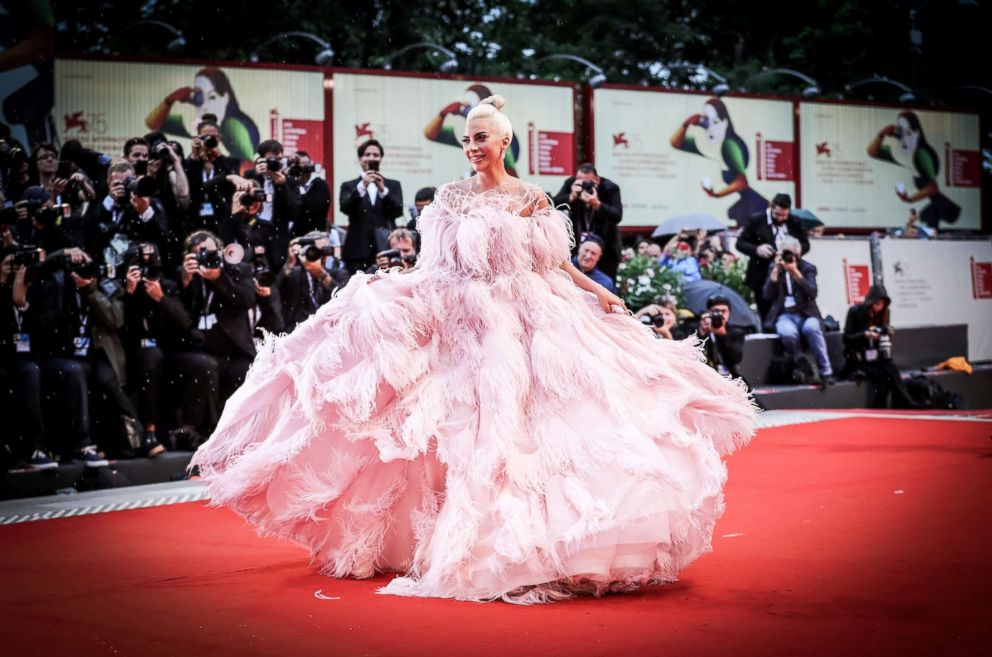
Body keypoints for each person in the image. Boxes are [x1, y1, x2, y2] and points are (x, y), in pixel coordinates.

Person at [191, 95, 755, 604]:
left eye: (481, 137)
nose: (472, 147)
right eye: (466, 139)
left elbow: (553, 263)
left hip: (533, 320)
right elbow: (433, 266)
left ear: (504, 141)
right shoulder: (450, 199)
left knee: (547, 425)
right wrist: (393, 289)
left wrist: (599, 291)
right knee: (452, 430)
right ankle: (447, 541)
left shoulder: (532, 198)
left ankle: (555, 544)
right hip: (464, 322)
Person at [670, 97, 768, 226]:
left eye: (715, 122)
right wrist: (686, 124)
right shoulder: (706, 142)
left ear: (725, 122)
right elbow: (676, 143)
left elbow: (742, 182)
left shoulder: (730, 145)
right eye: (706, 121)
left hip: (751, 204)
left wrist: (716, 194)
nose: (710, 127)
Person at [867, 111, 960, 229]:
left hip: (942, 208)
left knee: (926, 227)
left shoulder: (921, 154)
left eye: (908, 133)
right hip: (932, 207)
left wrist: (910, 199)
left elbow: (932, 188)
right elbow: (872, 152)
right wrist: (881, 134)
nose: (904, 138)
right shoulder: (900, 152)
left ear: (917, 133)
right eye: (901, 133)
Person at [763, 236, 834, 387]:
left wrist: (795, 272)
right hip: (785, 315)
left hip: (807, 313)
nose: (787, 257)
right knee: (787, 332)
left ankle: (826, 371)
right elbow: (767, 295)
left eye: (790, 253)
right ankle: (803, 365)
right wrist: (775, 270)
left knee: (812, 328)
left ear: (798, 254)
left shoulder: (807, 268)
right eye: (784, 253)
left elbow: (812, 292)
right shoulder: (776, 268)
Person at [736, 193, 809, 324]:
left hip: (789, 274)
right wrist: (757, 249)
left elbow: (806, 244)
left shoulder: (795, 221)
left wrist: (796, 250)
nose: (780, 218)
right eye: (777, 214)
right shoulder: (756, 220)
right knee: (766, 313)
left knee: (791, 311)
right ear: (771, 207)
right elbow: (740, 243)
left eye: (784, 215)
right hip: (762, 274)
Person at [842, 285, 917, 408]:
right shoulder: (855, 312)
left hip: (876, 357)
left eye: (882, 304)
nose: (879, 307)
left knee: (892, 370)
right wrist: (865, 334)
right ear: (870, 302)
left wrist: (886, 330)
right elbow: (847, 338)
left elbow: (883, 334)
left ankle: (903, 403)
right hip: (857, 360)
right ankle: (889, 406)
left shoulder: (884, 314)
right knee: (883, 375)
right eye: (876, 304)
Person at [338, 139, 404, 273]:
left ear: (381, 159)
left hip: (385, 248)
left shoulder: (392, 185)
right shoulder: (349, 186)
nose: (371, 158)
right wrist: (362, 186)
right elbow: (345, 208)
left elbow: (398, 211)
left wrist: (383, 190)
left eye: (376, 155)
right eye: (367, 154)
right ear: (360, 158)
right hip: (357, 250)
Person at [552, 163, 623, 280]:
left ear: (597, 180)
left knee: (604, 285)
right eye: (580, 181)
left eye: (588, 182)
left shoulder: (610, 188)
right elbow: (552, 205)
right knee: (573, 283)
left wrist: (598, 204)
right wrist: (571, 196)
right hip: (578, 247)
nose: (584, 185)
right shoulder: (571, 184)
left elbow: (617, 215)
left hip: (605, 249)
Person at [697, 295, 746, 381]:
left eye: (723, 311)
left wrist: (723, 335)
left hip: (729, 377)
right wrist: (702, 335)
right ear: (708, 312)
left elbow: (736, 358)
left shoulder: (736, 332)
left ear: (729, 313)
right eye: (716, 311)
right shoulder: (700, 328)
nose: (719, 314)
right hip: (704, 378)